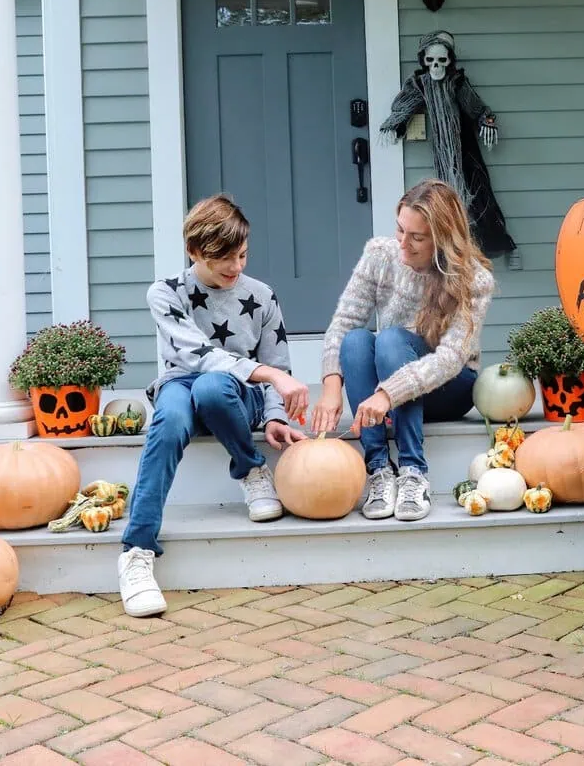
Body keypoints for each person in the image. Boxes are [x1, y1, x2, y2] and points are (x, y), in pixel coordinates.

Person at [118, 194, 308, 617]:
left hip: (233, 397)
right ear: (193, 251)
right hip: (180, 384)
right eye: (222, 258)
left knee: (213, 389)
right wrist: (273, 376)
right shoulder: (166, 293)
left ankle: (250, 467)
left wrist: (275, 413)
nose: (235, 267)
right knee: (169, 421)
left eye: (241, 255)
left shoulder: (261, 295)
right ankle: (136, 553)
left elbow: (277, 360)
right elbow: (198, 354)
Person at [309, 179, 496, 522]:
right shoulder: (380, 254)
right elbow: (343, 323)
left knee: (392, 338)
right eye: (400, 230)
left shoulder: (473, 279)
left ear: (441, 240)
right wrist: (332, 387)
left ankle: (413, 472)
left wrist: (387, 394)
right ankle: (379, 469)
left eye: (417, 238)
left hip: (449, 387)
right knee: (356, 340)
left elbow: (449, 360)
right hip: (390, 383)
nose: (403, 245)